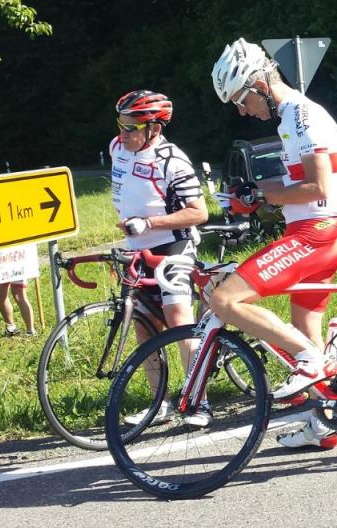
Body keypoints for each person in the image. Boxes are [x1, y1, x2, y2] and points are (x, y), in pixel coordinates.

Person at [208, 37, 337, 447]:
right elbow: (296, 182)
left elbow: (316, 186)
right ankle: (321, 424)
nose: (241, 110)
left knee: (224, 299)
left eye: (241, 99)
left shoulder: (299, 114)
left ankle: (311, 360)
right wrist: (250, 190)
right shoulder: (292, 116)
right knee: (304, 326)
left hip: (317, 232)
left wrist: (261, 196)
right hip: (317, 232)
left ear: (258, 84)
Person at [110, 90, 209, 426]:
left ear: (155, 127)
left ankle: (199, 401)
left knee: (178, 316)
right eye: (121, 125)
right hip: (138, 249)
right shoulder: (117, 149)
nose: (124, 133)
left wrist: (150, 222)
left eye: (132, 127)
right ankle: (159, 405)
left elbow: (199, 212)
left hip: (172, 246)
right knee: (144, 326)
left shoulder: (172, 161)